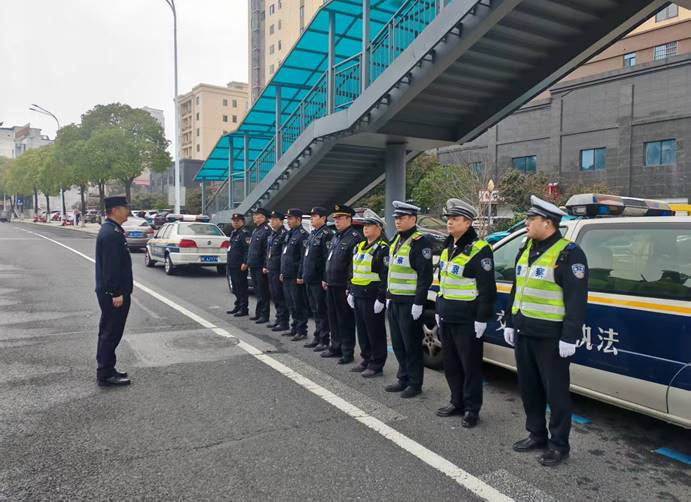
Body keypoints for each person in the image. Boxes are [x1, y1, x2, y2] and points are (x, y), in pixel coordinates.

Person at [504, 195, 588, 467]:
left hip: (551, 338)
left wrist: (569, 336)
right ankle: (536, 434)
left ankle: (559, 445)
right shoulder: (526, 248)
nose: (526, 223)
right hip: (525, 331)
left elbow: (576, 299)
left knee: (556, 393)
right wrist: (510, 321)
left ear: (548, 223)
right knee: (529, 389)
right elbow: (517, 288)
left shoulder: (568, 253)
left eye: (531, 219)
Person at [435, 199, 496, 428]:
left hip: (467, 319)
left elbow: (487, 289)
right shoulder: (448, 247)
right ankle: (456, 401)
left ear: (468, 223)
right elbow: (443, 281)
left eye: (455, 219)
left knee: (470, 367)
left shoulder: (480, 249)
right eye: (448, 219)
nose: (450, 222)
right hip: (447, 315)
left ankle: (471, 408)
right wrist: (439, 308)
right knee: (451, 364)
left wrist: (481, 318)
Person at [385, 201, 434, 398]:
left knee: (411, 345)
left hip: (409, 302)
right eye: (396, 218)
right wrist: (388, 296)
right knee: (397, 343)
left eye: (402, 218)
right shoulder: (397, 239)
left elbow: (425, 276)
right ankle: (403, 377)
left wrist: (419, 302)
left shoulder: (420, 242)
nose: (397, 221)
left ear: (413, 219)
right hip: (395, 300)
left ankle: (415, 383)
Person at [94, 195, 133, 387]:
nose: (128, 211)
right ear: (116, 210)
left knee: (109, 331)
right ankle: (105, 373)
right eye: (125, 208)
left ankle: (108, 367)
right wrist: (116, 292)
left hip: (111, 292)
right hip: (113, 294)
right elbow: (111, 268)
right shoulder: (111, 234)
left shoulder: (112, 230)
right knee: (111, 332)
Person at [348, 209, 389, 378]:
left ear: (379, 228)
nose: (365, 228)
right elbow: (353, 270)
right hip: (358, 294)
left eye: (369, 225)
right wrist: (351, 291)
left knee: (375, 331)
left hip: (372, 296)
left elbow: (385, 275)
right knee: (363, 330)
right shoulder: (359, 247)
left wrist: (381, 298)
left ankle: (376, 363)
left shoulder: (383, 249)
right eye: (364, 225)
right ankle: (366, 358)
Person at [322, 204, 362, 364]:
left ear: (348, 219)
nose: (336, 221)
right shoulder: (336, 236)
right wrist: (326, 278)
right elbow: (330, 259)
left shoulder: (354, 237)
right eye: (335, 218)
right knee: (333, 318)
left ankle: (347, 351)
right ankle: (335, 347)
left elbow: (353, 265)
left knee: (345, 320)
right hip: (331, 283)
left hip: (342, 286)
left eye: (340, 218)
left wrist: (349, 286)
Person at [299, 207, 334, 351]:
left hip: (318, 279)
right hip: (310, 278)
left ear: (323, 218)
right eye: (311, 216)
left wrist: (325, 278)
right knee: (314, 310)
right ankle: (317, 336)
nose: (312, 219)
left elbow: (327, 259)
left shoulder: (327, 234)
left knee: (321, 310)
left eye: (314, 216)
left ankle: (324, 339)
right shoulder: (313, 233)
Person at [280, 208, 309, 340]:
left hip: (295, 276)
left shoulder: (303, 235)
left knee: (298, 304)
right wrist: (282, 271)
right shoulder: (289, 233)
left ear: (298, 219)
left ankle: (301, 330)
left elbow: (303, 258)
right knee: (290, 303)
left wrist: (300, 275)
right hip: (287, 274)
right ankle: (294, 327)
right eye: (287, 218)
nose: (288, 221)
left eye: (291, 218)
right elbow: (285, 254)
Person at [264, 211, 289, 332]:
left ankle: (283, 322)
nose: (272, 221)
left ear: (281, 221)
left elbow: (283, 255)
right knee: (274, 296)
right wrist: (266, 265)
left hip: (278, 269)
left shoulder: (284, 234)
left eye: (275, 219)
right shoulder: (272, 234)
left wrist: (281, 271)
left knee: (280, 296)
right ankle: (278, 319)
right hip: (271, 269)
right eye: (271, 219)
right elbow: (269, 252)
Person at [246, 208, 272, 324]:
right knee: (257, 291)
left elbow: (267, 250)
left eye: (256, 215)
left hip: (260, 266)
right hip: (254, 265)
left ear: (263, 217)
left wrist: (265, 265)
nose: (254, 217)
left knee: (263, 292)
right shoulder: (256, 230)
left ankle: (264, 315)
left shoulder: (266, 230)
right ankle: (259, 313)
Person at [226, 213, 251, 317]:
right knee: (235, 287)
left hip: (240, 265)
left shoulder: (244, 233)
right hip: (232, 264)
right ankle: (238, 305)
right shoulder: (234, 233)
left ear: (242, 222)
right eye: (234, 221)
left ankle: (243, 308)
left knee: (241, 287)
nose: (235, 223)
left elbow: (247, 249)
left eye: (238, 221)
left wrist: (245, 262)